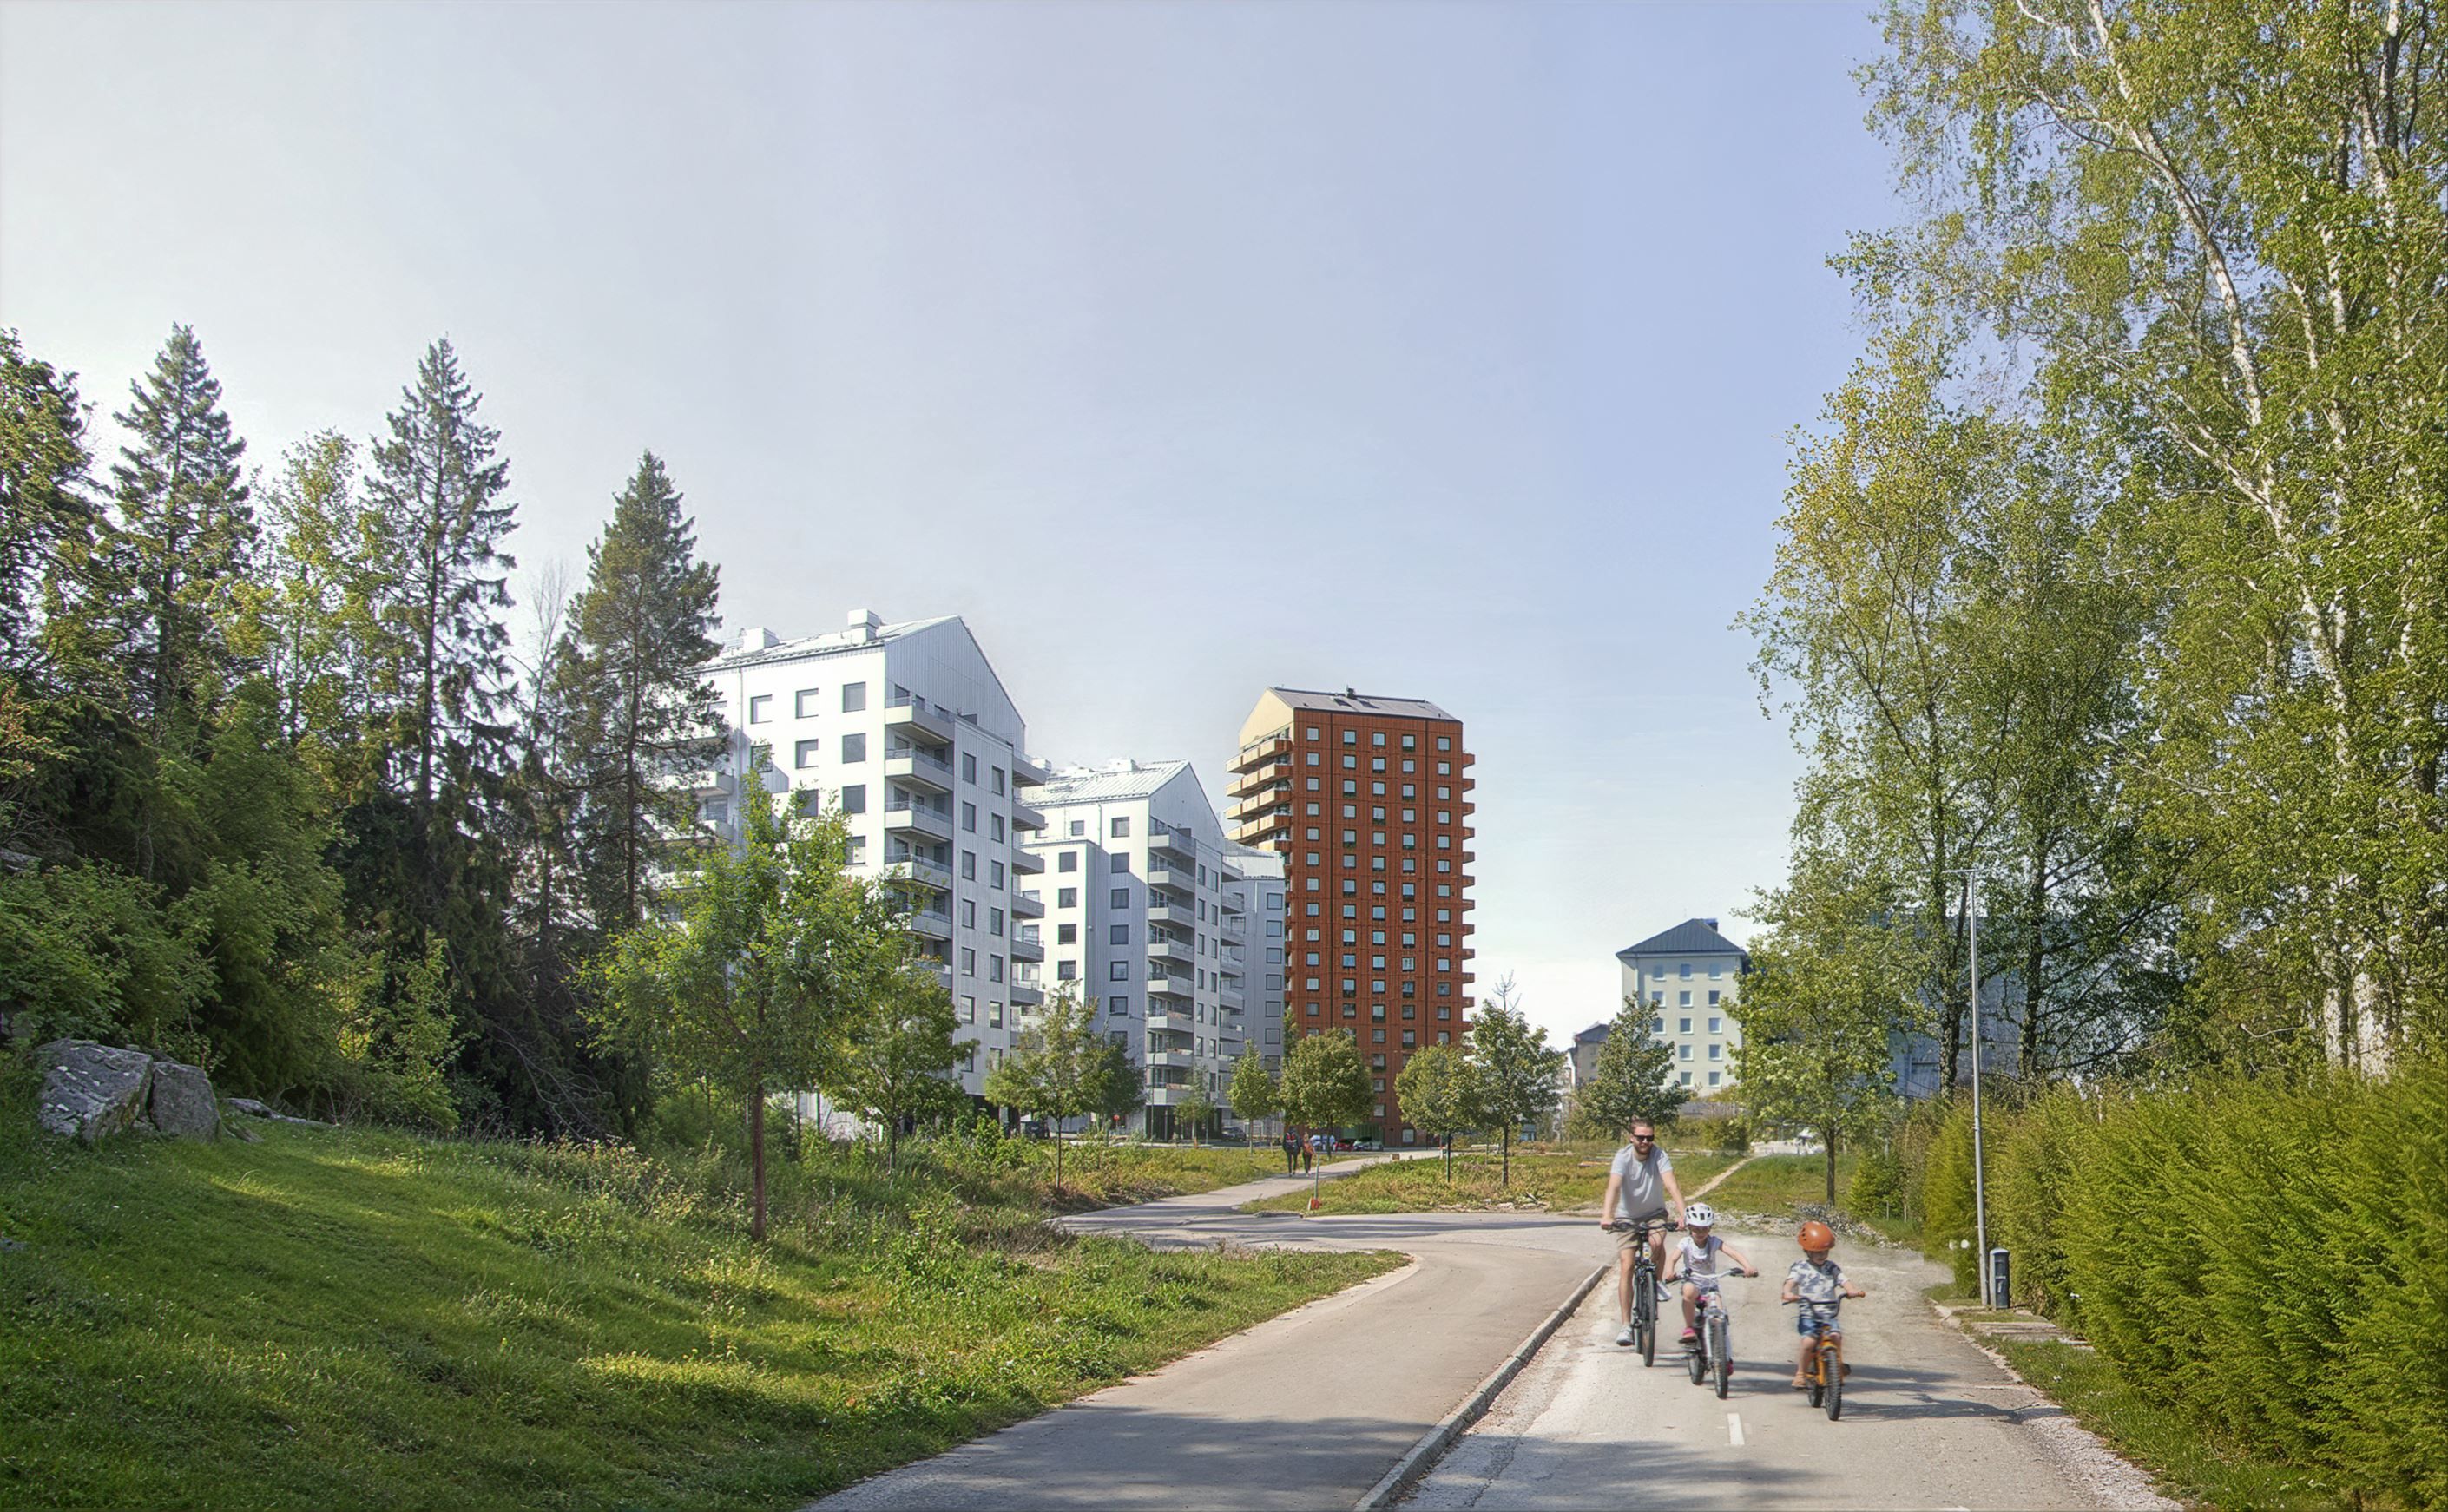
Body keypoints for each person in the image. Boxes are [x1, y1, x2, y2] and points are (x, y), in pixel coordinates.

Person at [1596, 1119, 1686, 1347]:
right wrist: (1607, 1215)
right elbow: (1614, 1186)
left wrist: (1683, 1214)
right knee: (1627, 1265)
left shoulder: (1659, 1155)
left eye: (1650, 1137)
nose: (1645, 1141)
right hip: (1627, 1216)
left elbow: (1671, 1184)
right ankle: (1626, 1325)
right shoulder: (1623, 1157)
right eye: (1641, 1137)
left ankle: (1656, 1283)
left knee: (1656, 1243)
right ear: (1631, 1137)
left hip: (1655, 1213)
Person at [1781, 1219, 1867, 1388]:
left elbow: (1843, 1280)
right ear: (1807, 1251)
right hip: (1809, 1315)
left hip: (1829, 1313)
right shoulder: (1800, 1267)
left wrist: (1851, 1290)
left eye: (1825, 1251)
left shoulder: (1831, 1267)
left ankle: (1837, 1365)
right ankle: (1801, 1373)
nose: (1822, 1255)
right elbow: (1790, 1282)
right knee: (1809, 1342)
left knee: (1836, 1336)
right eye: (1818, 1252)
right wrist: (1788, 1293)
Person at [1662, 1201, 1754, 1343]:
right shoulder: (1686, 1242)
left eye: (1704, 1229)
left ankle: (1722, 1349)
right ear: (1689, 1227)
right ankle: (1689, 1328)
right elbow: (1672, 1259)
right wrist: (1669, 1272)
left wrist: (1748, 1267)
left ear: (1710, 1227)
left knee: (1720, 1317)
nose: (1700, 1233)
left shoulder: (1714, 1241)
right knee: (1688, 1291)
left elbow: (1734, 1253)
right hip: (1693, 1283)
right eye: (1696, 1229)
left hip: (1711, 1286)